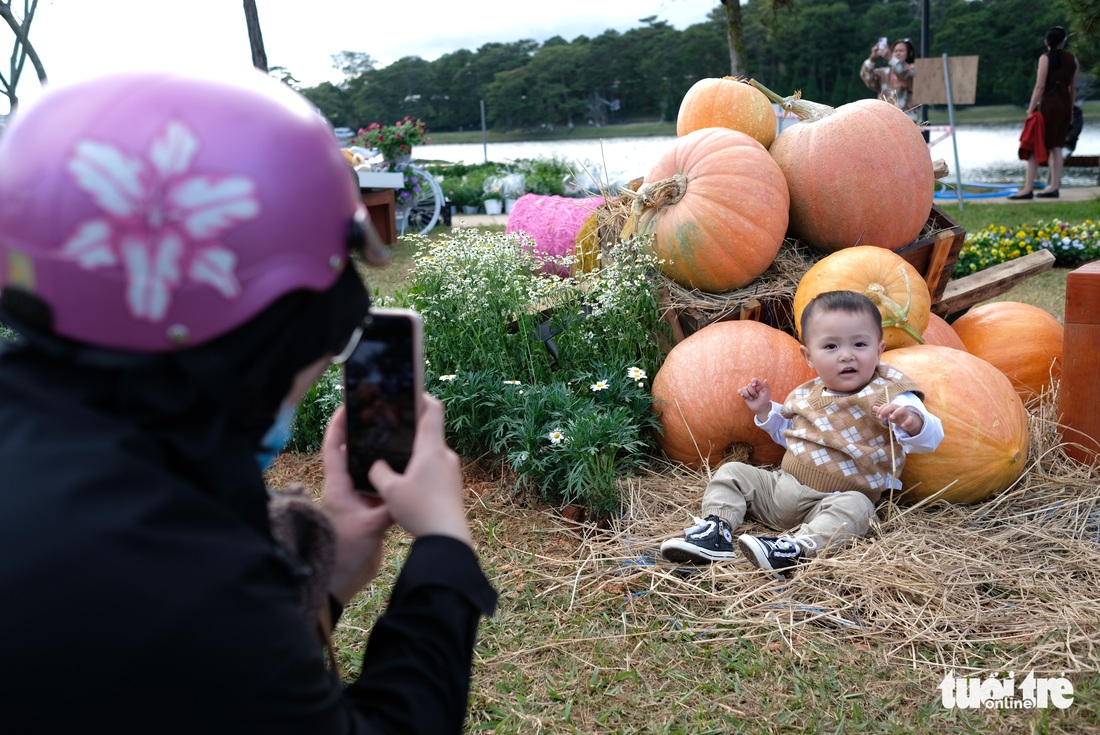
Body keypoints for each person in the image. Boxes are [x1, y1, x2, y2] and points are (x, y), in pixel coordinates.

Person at [0, 69, 496, 733]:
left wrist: (337, 563)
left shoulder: (54, 451)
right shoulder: (181, 583)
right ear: (260, 339)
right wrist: (443, 549)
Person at [660, 291, 944, 576]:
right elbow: (790, 434)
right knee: (733, 472)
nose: (847, 355)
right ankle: (716, 531)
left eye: (860, 344)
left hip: (835, 498)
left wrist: (913, 422)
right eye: (831, 346)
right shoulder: (807, 392)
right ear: (809, 356)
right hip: (782, 488)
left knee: (858, 509)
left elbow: (932, 439)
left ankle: (796, 548)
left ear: (879, 350)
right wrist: (764, 411)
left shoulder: (891, 392)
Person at [1008, 26, 1079, 200]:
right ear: (1063, 41)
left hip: (1047, 107)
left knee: (1033, 146)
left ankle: (1028, 189)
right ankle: (1054, 186)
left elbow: (1040, 87)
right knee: (1057, 148)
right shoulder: (1073, 60)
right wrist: (1070, 110)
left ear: (1046, 42)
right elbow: (1073, 88)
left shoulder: (1045, 59)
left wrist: (1031, 109)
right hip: (1063, 107)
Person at [860, 37, 918, 121]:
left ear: (909, 53)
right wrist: (872, 59)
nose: (898, 53)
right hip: (885, 120)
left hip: (907, 120)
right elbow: (866, 77)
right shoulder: (884, 73)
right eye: (895, 51)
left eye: (901, 51)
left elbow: (903, 74)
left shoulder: (913, 71)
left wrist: (891, 58)